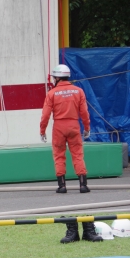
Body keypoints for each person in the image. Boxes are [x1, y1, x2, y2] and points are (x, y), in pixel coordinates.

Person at [40, 64, 92, 194]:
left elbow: (45, 115)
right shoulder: (78, 91)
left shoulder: (51, 93)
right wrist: (86, 128)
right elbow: (84, 112)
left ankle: (62, 186)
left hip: (59, 127)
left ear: (57, 78)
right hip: (74, 125)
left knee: (59, 156)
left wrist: (42, 130)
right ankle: (83, 185)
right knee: (78, 155)